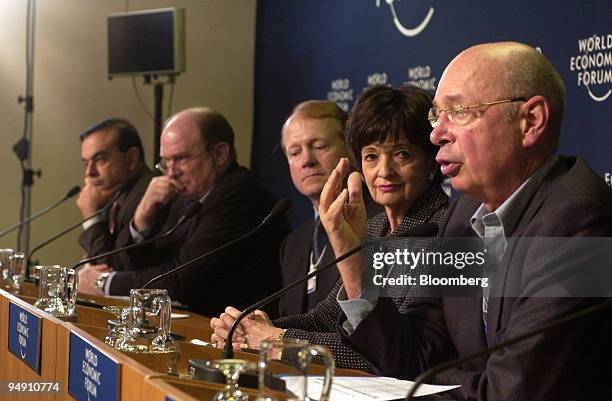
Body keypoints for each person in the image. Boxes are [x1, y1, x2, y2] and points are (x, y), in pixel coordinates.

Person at [321, 42, 612, 400]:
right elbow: (415, 356)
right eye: (436, 116)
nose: (436, 134)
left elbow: (513, 391)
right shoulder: (462, 218)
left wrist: (419, 385)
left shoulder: (581, 223)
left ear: (531, 121)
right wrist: (353, 256)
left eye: (458, 111)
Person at [210, 85, 450, 372]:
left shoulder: (447, 232)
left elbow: (389, 355)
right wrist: (250, 327)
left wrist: (278, 340)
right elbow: (324, 317)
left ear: (431, 161)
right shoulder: (375, 228)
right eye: (371, 156)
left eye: (401, 154)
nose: (384, 171)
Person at [78, 107, 290, 318]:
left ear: (220, 154)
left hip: (237, 338)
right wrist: (142, 220)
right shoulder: (185, 194)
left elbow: (179, 281)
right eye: (166, 162)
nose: (171, 173)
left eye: (181, 159)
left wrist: (102, 282)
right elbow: (155, 265)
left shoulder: (239, 196)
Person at [278, 100, 380, 317]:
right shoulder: (293, 244)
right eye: (295, 152)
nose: (306, 160)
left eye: (319, 146)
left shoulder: (381, 223)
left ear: (350, 150)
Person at [77, 118, 155, 269]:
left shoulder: (147, 195)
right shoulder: (113, 195)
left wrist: (91, 217)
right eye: (85, 163)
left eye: (99, 159)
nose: (89, 172)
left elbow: (112, 269)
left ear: (131, 159)